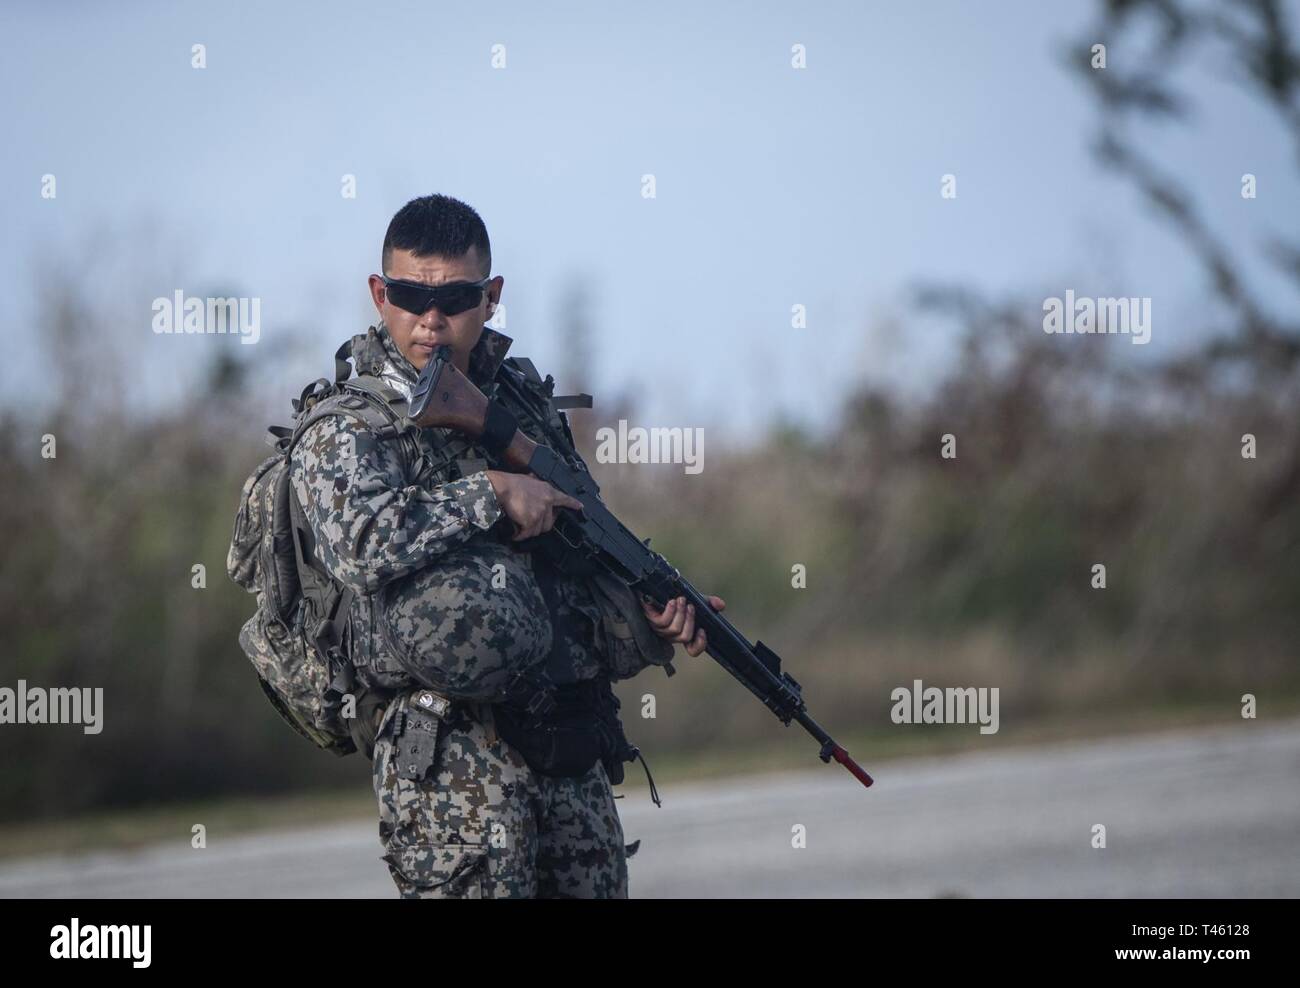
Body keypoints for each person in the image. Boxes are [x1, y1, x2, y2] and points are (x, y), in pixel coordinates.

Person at [288, 194, 724, 898]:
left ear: (491, 298)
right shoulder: (350, 422)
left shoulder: (520, 403)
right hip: (451, 760)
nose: (431, 320)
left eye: (456, 298)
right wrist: (488, 492)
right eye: (409, 296)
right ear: (379, 294)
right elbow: (358, 544)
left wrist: (645, 608)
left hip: (568, 736)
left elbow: (578, 543)